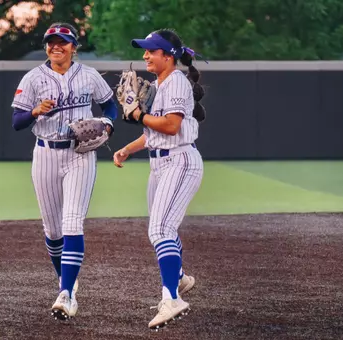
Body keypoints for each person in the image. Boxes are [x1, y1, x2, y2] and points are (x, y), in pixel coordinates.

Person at [11, 22, 117, 320]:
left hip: (79, 154)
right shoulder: (33, 78)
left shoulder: (89, 75)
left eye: (63, 41)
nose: (56, 46)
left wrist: (108, 124)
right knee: (53, 230)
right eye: (51, 42)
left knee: (72, 223)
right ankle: (66, 279)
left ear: (74, 47)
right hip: (44, 153)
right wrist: (34, 111)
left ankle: (67, 294)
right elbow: (16, 122)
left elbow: (110, 106)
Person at [113, 29, 205, 330]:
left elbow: (170, 126)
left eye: (151, 51)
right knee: (160, 227)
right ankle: (179, 278)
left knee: (161, 228)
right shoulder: (157, 84)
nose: (145, 56)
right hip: (161, 163)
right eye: (145, 51)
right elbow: (153, 132)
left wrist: (138, 113)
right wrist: (128, 148)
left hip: (179, 159)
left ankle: (172, 297)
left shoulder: (176, 81)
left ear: (168, 55)